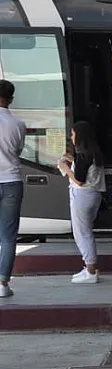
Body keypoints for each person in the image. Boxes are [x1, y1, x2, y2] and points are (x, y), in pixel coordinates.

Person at [57, 121, 106, 284]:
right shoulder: (94, 153)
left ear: (79, 136)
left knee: (82, 233)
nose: (71, 137)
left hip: (82, 196)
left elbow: (79, 179)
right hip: (94, 195)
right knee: (86, 231)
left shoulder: (84, 155)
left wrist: (64, 167)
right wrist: (73, 160)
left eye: (72, 134)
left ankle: (91, 270)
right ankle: (89, 268)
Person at [0, 80, 25, 298]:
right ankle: (3, 284)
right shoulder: (18, 124)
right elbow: (17, 151)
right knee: (8, 237)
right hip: (11, 181)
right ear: (11, 99)